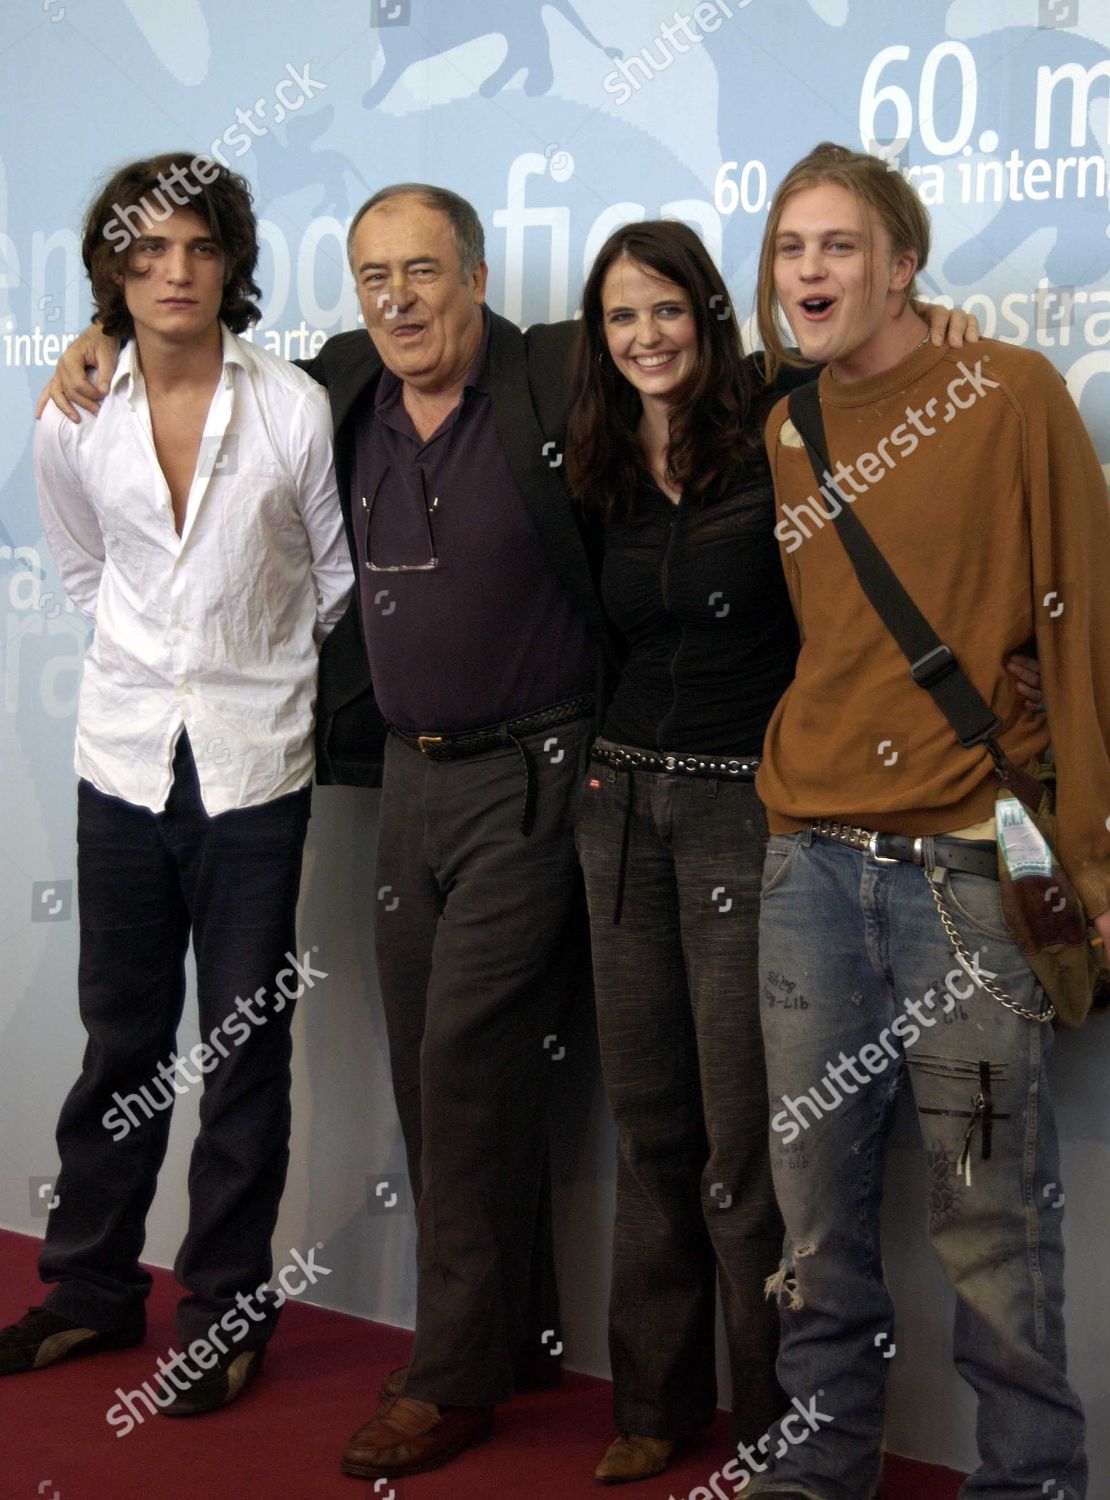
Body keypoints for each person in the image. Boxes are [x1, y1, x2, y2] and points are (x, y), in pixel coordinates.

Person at [42, 183, 994, 1480]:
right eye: (374, 275)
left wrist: (899, 324)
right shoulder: (336, 388)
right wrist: (91, 339)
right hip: (407, 791)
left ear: (478, 276)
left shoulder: (551, 370)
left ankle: (454, 1378)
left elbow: (700, 351)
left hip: (548, 783)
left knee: (475, 1074)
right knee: (439, 1093)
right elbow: (195, 373)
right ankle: (515, 1341)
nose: (399, 299)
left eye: (425, 271)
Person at [564, 222, 1037, 1487]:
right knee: (649, 1117)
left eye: (670, 311)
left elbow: (873, 352)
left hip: (752, 816)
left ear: (715, 318)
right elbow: (408, 349)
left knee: (753, 1147)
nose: (646, 336)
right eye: (621, 317)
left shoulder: (777, 416)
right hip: (621, 813)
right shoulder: (595, 448)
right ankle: (660, 1405)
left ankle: (780, 1429)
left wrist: (935, 329)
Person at [747, 141, 1109, 1500]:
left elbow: (1087, 621)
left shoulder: (1007, 392)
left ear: (904, 261)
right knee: (814, 1223)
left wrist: (1094, 850)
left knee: (990, 1227)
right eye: (791, 250)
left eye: (841, 246)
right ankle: (815, 1469)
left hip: (966, 867)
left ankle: (1029, 1483)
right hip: (803, 871)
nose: (811, 272)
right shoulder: (781, 425)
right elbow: (614, 345)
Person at [1, 153, 352, 1415]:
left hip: (255, 770)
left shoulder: (293, 406)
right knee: (120, 1040)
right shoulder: (71, 411)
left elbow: (331, 582)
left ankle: (224, 1313)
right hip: (121, 762)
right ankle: (91, 1291)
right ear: (114, 271)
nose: (173, 273)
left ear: (229, 265)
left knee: (245, 1048)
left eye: (197, 250)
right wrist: (164, 669)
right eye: (146, 254)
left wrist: (242, 676)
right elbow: (89, 575)